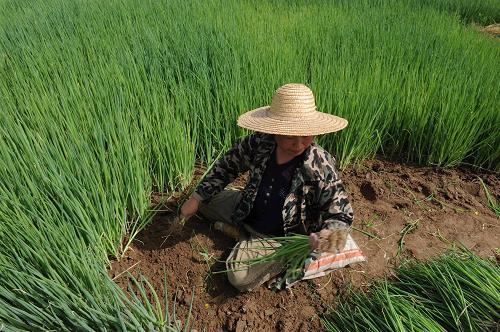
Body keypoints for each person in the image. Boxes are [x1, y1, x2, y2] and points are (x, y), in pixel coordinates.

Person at [180, 83, 364, 292]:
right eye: (289, 136)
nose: (298, 143)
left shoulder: (319, 165)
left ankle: (275, 252)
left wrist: (327, 234)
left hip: (279, 234)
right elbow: (227, 166)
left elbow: (341, 214)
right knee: (202, 201)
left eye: (306, 135)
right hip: (247, 206)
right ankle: (241, 232)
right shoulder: (260, 142)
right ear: (274, 129)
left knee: (238, 277)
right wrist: (196, 197)